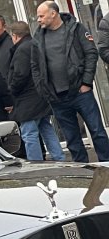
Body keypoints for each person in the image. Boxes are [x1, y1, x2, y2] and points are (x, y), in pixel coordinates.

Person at [32, 0, 109, 162]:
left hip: (81, 93)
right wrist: (44, 91)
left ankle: (107, 166)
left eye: (41, 16)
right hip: (57, 98)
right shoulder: (38, 37)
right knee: (72, 140)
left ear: (53, 14)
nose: (38, 20)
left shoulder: (76, 29)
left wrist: (86, 83)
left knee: (97, 132)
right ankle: (83, 174)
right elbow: (35, 66)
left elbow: (91, 53)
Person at [8, 21, 65, 161]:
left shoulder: (22, 49)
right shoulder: (35, 44)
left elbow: (20, 75)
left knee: (29, 134)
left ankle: (36, 164)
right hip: (41, 96)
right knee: (46, 128)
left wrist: (11, 91)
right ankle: (59, 158)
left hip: (28, 99)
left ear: (14, 36)